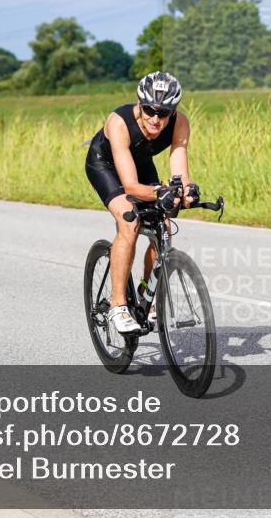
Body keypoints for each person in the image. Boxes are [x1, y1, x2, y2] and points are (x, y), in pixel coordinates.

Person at [85, 71, 199, 333]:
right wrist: (160, 193)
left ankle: (147, 293)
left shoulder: (179, 122)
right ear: (140, 104)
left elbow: (179, 170)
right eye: (149, 110)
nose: (156, 119)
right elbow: (131, 187)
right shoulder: (119, 122)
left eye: (164, 113)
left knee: (164, 227)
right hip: (106, 166)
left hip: (141, 162)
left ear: (173, 111)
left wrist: (186, 191)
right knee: (130, 221)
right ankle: (118, 305)